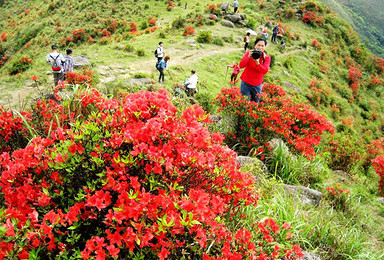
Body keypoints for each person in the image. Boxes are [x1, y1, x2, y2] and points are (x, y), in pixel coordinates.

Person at [239, 38, 271, 103]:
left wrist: (258, 64)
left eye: (262, 46)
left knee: (255, 104)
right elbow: (241, 65)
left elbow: (265, 71)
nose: (260, 47)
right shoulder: (249, 53)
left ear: (265, 47)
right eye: (258, 45)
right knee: (244, 103)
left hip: (257, 85)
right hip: (246, 83)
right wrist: (248, 57)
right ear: (255, 45)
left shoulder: (266, 57)